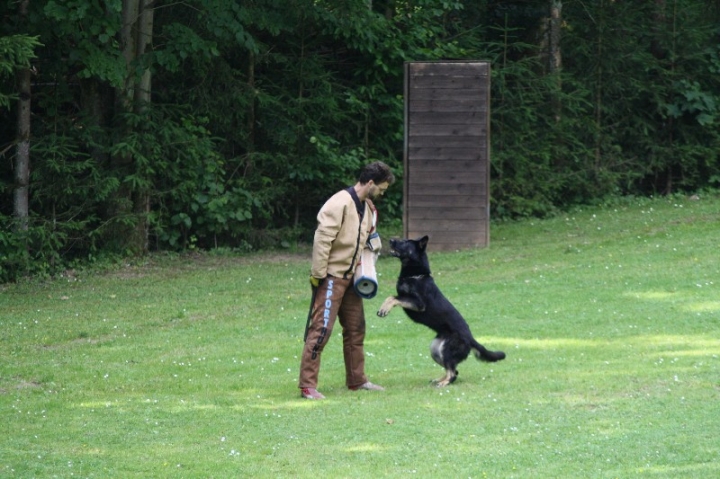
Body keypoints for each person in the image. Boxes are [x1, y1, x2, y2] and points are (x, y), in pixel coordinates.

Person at [298, 161, 396, 399]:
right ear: (370, 183)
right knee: (321, 330)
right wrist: (318, 275)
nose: (383, 193)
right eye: (381, 188)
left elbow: (368, 237)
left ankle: (357, 380)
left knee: (356, 329)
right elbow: (322, 240)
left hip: (353, 279)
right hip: (331, 277)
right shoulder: (338, 203)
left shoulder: (368, 207)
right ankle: (307, 386)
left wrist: (374, 245)